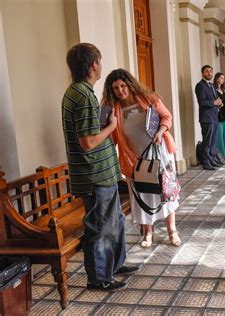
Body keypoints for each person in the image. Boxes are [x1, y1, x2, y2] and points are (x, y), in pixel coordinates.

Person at [61, 43, 137, 292]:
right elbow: (87, 142)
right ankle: (99, 278)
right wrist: (111, 127)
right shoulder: (82, 95)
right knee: (100, 227)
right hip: (94, 175)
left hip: (103, 173)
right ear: (94, 64)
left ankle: (114, 265)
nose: (100, 65)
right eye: (99, 61)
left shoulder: (80, 91)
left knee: (114, 220)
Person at [102, 68, 181, 248]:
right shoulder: (114, 111)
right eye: (115, 88)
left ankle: (172, 230)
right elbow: (112, 138)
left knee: (166, 192)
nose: (120, 90)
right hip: (134, 159)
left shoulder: (149, 99)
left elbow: (166, 116)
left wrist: (161, 131)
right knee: (141, 194)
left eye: (123, 85)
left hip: (159, 153)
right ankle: (148, 232)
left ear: (130, 84)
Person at [195, 65, 223, 170]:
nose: (209, 73)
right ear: (202, 73)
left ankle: (212, 159)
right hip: (206, 118)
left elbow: (215, 99)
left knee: (212, 141)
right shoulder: (200, 86)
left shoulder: (211, 85)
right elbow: (201, 102)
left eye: (211, 71)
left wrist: (219, 103)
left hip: (214, 117)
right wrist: (213, 102)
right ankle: (205, 162)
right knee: (207, 141)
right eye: (207, 71)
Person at [213, 72, 225, 160]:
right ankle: (221, 155)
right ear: (217, 79)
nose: (223, 80)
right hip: (218, 116)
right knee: (219, 137)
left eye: (223, 78)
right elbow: (216, 102)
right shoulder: (214, 90)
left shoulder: (223, 91)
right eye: (221, 78)